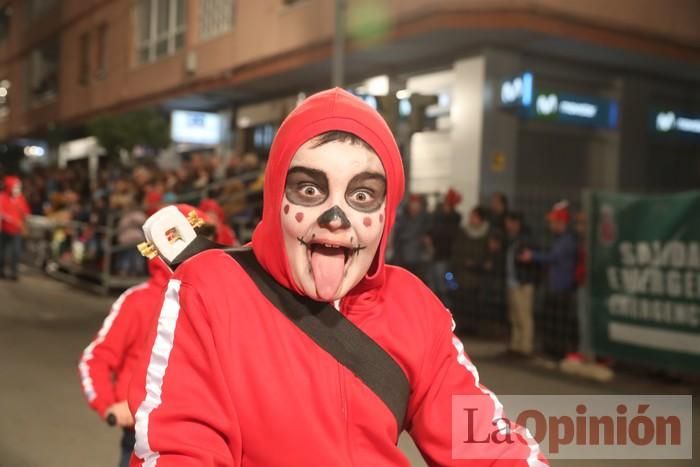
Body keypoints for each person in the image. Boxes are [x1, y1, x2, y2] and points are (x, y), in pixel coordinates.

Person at [128, 88, 546, 466]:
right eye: (310, 190)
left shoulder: (412, 307)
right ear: (276, 196)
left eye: (362, 195)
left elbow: (488, 446)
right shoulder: (212, 289)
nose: (334, 218)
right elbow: (180, 447)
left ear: (387, 214)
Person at [78, 205, 210, 467]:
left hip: (206, 441)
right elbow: (95, 359)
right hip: (145, 437)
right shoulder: (138, 301)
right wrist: (109, 404)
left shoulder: (220, 298)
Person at [520, 201, 578, 359]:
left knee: (559, 323)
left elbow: (554, 257)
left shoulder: (567, 241)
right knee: (552, 321)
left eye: (553, 222)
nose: (551, 225)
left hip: (562, 288)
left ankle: (558, 352)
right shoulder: (560, 239)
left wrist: (532, 256)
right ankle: (552, 350)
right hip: (555, 286)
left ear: (561, 222)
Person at [451, 206, 490, 333]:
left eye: (474, 216)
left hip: (478, 276)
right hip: (462, 274)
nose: (471, 219)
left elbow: (488, 255)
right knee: (461, 301)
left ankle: (474, 328)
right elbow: (456, 251)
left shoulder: (487, 234)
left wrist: (477, 263)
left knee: (474, 303)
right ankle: (461, 326)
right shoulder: (463, 232)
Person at [504, 211, 539, 357]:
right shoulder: (514, 239)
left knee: (524, 315)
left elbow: (527, 260)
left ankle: (525, 346)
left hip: (522, 283)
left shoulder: (525, 239)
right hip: (513, 282)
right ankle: (516, 344)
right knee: (515, 315)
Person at [426, 188, 462, 305]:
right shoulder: (439, 216)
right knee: (434, 280)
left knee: (445, 279)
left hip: (446, 254)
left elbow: (446, 234)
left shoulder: (454, 218)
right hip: (436, 253)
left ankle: (449, 302)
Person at [392, 193, 431, 281]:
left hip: (419, 259)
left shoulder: (425, 219)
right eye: (413, 204)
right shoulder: (402, 218)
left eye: (417, 204)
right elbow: (397, 239)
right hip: (403, 258)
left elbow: (428, 237)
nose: (414, 207)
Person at [0, 175, 30, 280]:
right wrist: (13, 220)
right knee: (2, 252)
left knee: (16, 252)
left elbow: (25, 212)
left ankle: (14, 272)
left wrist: (23, 223)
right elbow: (2, 213)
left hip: (16, 231)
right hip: (4, 230)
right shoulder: (2, 197)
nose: (17, 189)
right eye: (15, 186)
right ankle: (1, 270)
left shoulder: (20, 198)